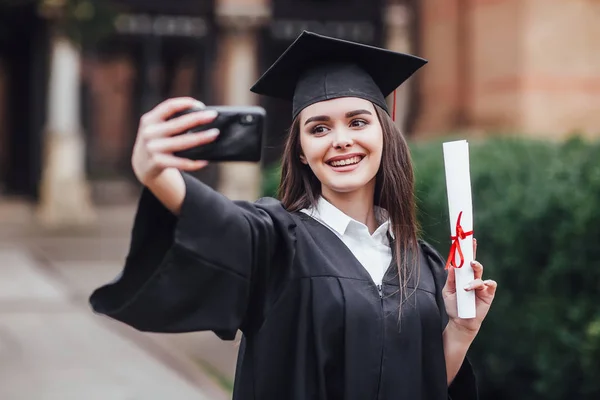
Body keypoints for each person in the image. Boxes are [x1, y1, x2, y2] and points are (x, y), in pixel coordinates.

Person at [90, 31, 497, 399]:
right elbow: (225, 227)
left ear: (384, 134)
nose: (341, 140)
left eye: (358, 122)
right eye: (319, 128)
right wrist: (158, 175)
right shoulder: (278, 242)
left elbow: (424, 386)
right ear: (301, 150)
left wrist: (460, 333)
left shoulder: (423, 264)